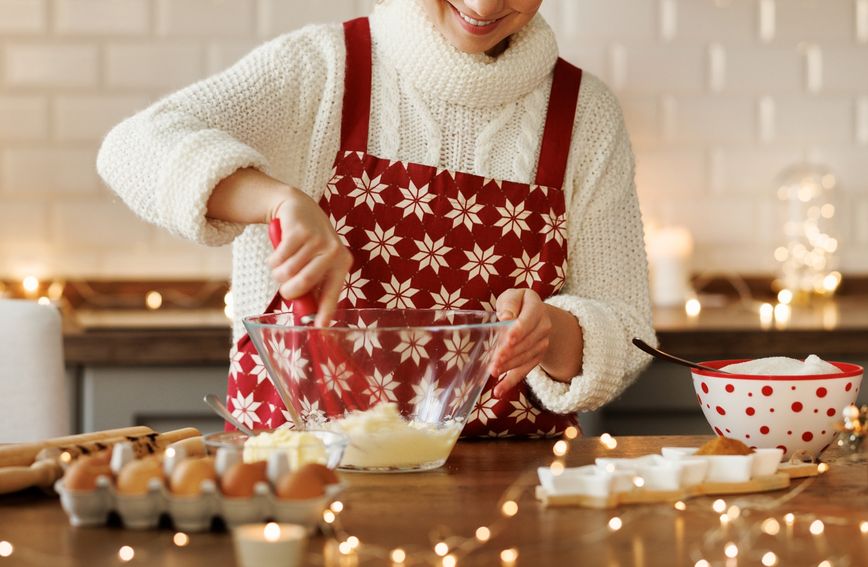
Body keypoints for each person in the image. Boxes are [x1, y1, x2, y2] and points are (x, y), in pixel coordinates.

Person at [97, 0, 656, 437]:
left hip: (502, 496)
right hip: (302, 478)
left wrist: (552, 334)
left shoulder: (587, 115)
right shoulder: (320, 70)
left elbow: (628, 330)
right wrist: (279, 201)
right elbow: (131, 148)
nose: (484, 8)